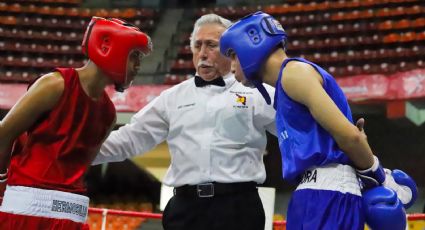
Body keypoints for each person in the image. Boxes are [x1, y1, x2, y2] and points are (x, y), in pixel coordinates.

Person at [220, 11, 417, 230]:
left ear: (252, 41)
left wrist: (378, 175)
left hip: (329, 195)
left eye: (233, 55)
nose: (231, 66)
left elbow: (350, 136)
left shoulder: (294, 74)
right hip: (311, 194)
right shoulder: (284, 87)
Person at [93, 14, 276, 230]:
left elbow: (293, 130)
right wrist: (75, 152)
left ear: (231, 51)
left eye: (211, 45)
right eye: (197, 45)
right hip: (185, 209)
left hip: (238, 207)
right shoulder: (173, 97)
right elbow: (131, 138)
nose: (203, 54)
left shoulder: (256, 92)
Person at [0, 17, 151, 229]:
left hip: (72, 214)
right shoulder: (54, 85)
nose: (138, 66)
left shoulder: (108, 114)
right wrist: (1, 185)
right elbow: (4, 134)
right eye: (134, 55)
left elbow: (78, 166)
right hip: (26, 207)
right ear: (109, 48)